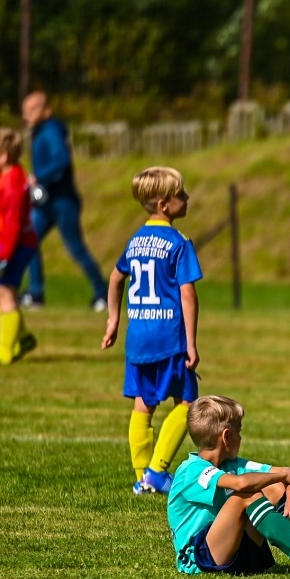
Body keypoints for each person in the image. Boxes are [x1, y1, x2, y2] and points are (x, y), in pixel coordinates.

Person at [167, 396, 290, 579]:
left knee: (275, 486)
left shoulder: (231, 463)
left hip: (236, 551)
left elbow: (286, 474)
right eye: (239, 431)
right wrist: (284, 477)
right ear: (227, 436)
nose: (241, 438)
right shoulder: (190, 470)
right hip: (198, 559)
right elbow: (241, 484)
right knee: (245, 495)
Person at [102, 167, 201, 495]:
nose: (186, 199)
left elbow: (116, 278)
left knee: (143, 405)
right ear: (163, 204)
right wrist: (191, 342)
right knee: (186, 402)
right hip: (168, 337)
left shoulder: (136, 241)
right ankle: (158, 472)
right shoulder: (179, 242)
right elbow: (187, 293)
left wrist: (114, 319)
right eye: (181, 195)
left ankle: (142, 476)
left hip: (138, 338)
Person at [21, 91, 109, 311]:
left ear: (46, 110)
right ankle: (35, 293)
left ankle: (103, 293)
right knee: (28, 240)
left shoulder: (50, 130)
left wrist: (39, 177)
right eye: (24, 111)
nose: (26, 115)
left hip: (62, 202)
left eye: (32, 110)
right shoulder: (40, 132)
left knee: (76, 249)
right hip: (46, 202)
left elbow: (61, 160)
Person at [0, 128, 39, 366]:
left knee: (5, 293)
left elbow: (12, 223)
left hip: (13, 245)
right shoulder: (4, 174)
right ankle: (22, 337)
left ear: (3, 155)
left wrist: (3, 257)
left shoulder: (12, 180)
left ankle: (5, 352)